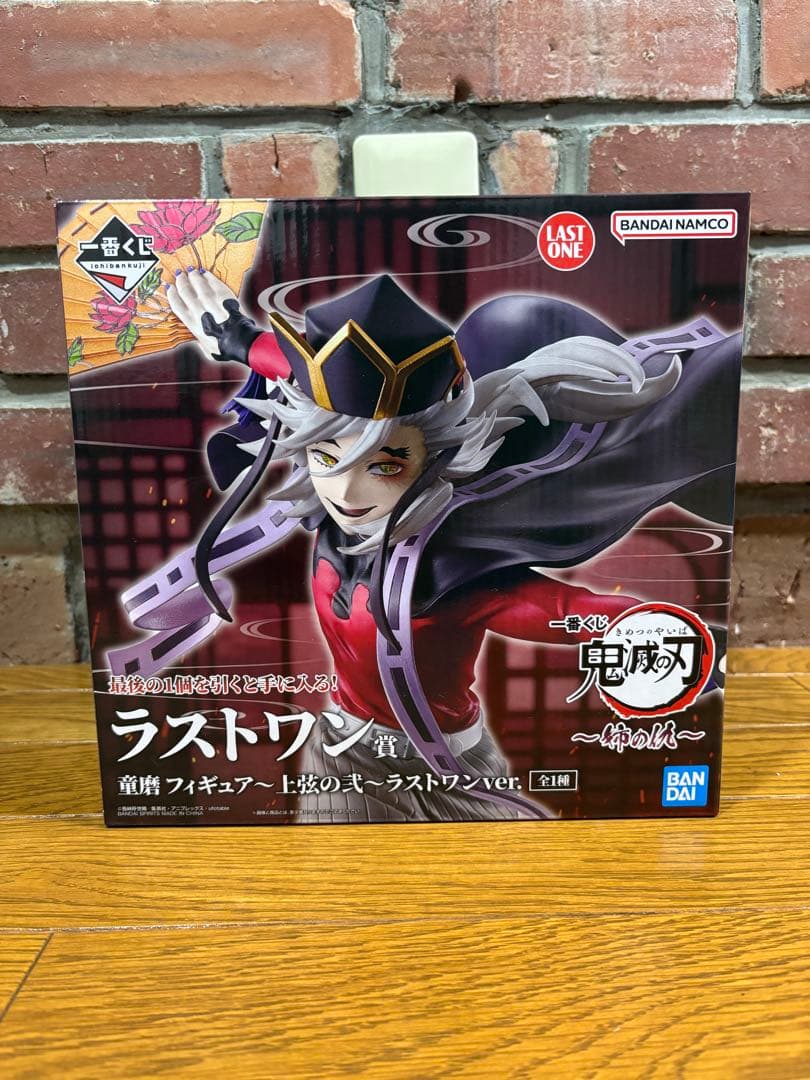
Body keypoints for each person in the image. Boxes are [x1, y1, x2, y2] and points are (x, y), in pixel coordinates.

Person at [155, 269, 739, 822]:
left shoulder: (451, 568)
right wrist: (236, 336)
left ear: (434, 456)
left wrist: (684, 642)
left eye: (384, 465)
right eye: (325, 458)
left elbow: (566, 611)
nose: (345, 491)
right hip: (347, 757)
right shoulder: (332, 503)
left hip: (459, 761)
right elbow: (308, 378)